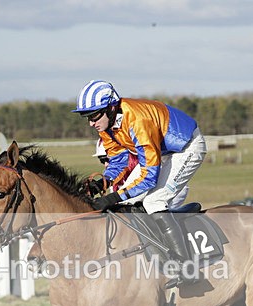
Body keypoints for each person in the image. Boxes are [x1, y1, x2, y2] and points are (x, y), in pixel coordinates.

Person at [72, 80, 207, 265]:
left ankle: (184, 264)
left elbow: (149, 177)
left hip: (187, 148)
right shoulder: (107, 126)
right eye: (86, 117)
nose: (90, 123)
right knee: (126, 199)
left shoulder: (138, 120)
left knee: (153, 200)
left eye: (94, 116)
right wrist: (104, 181)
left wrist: (114, 197)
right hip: (163, 152)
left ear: (111, 108)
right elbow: (119, 159)